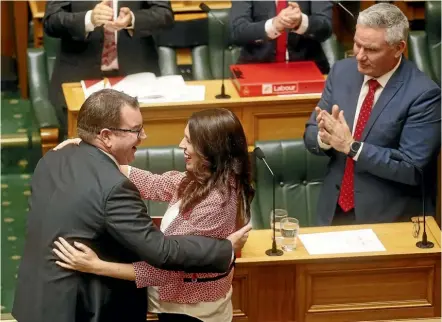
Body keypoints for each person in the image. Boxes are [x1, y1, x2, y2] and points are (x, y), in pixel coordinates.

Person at [12, 90, 251, 322]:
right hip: (158, 305)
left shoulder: (52, 158)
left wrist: (97, 266)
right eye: (136, 131)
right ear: (105, 136)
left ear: (211, 149)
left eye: (189, 141)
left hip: (193, 310)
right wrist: (89, 146)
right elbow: (155, 185)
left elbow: (164, 267)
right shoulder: (194, 179)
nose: (180, 145)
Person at [303, 3, 441, 226]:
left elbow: (411, 168)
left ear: (399, 48)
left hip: (388, 219)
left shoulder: (424, 95)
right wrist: (324, 138)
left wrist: (352, 146)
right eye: (357, 44)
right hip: (332, 212)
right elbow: (310, 133)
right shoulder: (341, 72)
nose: (359, 55)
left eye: (372, 50)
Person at [43, 0, 174, 133]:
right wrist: (88, 19)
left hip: (137, 79)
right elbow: (51, 20)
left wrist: (133, 20)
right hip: (79, 81)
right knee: (84, 150)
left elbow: (165, 14)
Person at [230, 0, 333, 74]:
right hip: (256, 68)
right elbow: (238, 31)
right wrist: (274, 25)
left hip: (308, 68)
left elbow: (325, 28)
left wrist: (301, 22)